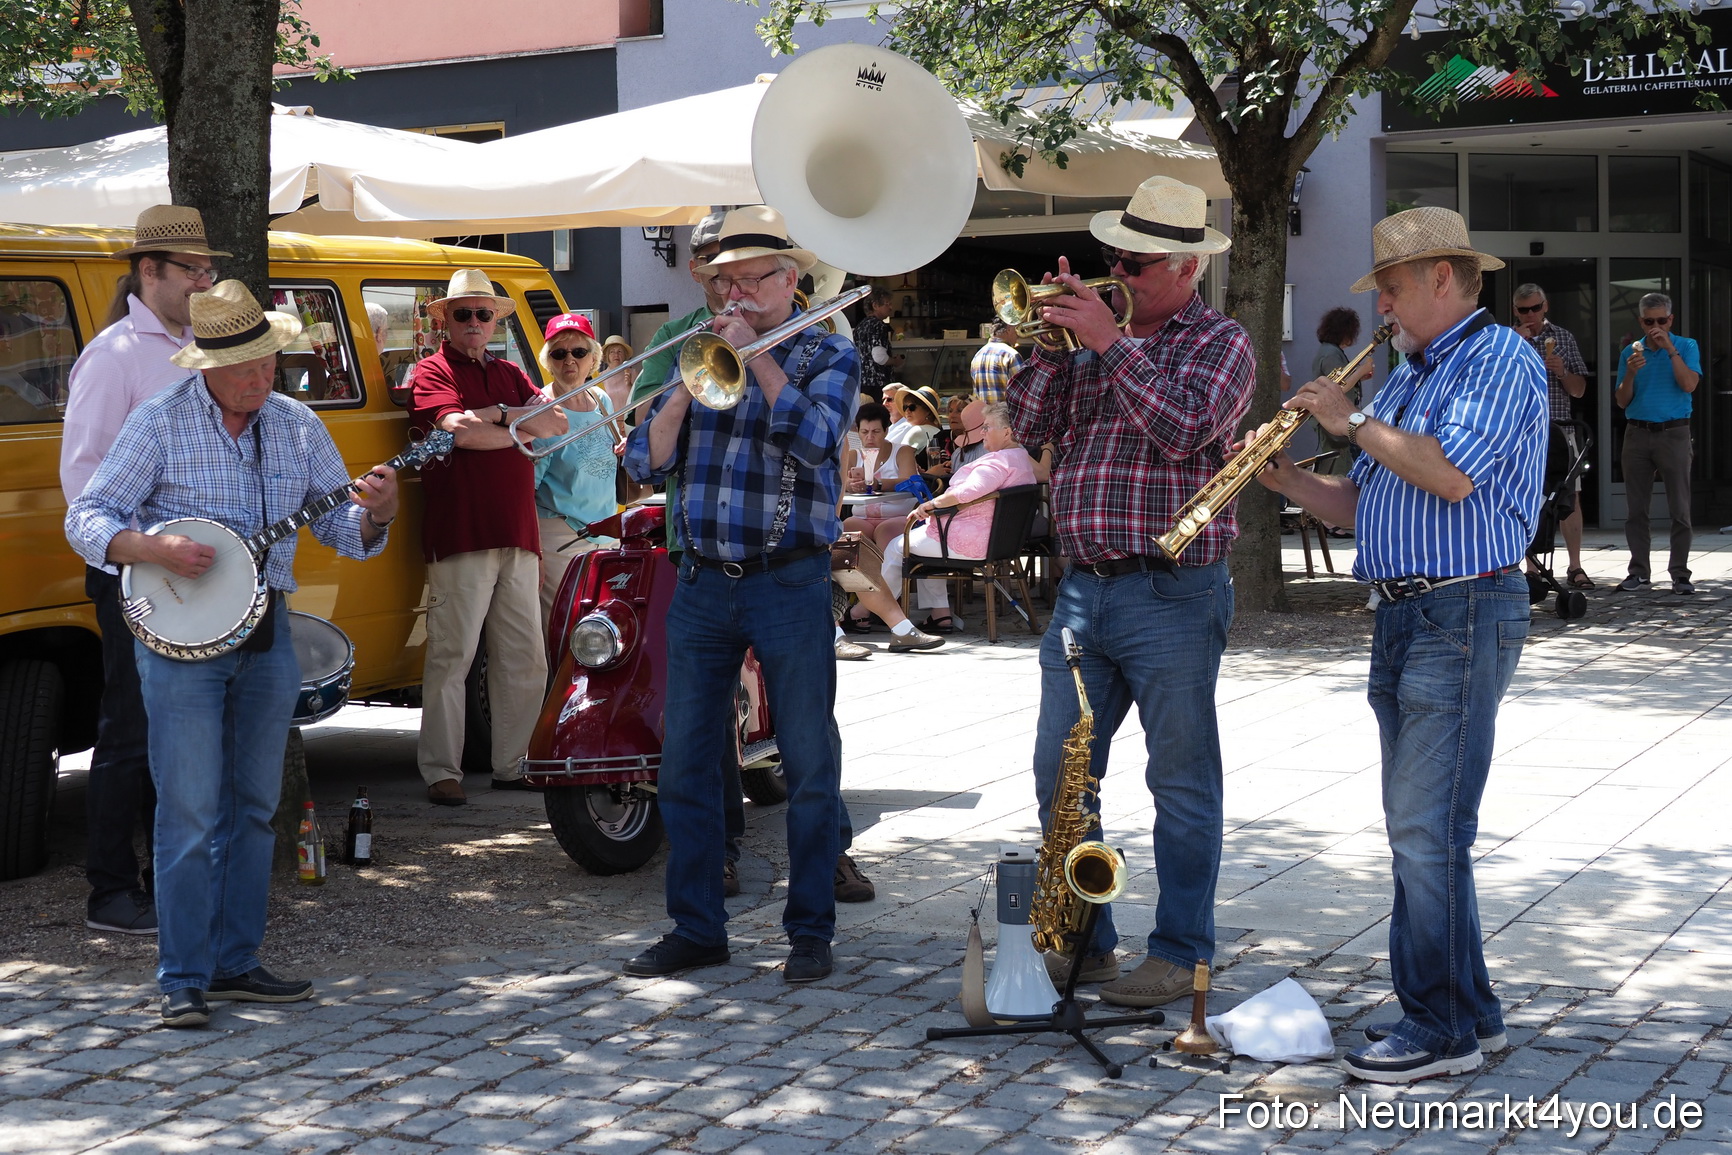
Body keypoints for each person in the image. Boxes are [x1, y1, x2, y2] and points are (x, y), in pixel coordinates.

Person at [1257, 206, 1546, 1083]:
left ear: (1443, 281)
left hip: (1462, 609)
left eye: (1389, 287)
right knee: (1428, 833)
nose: (1381, 304)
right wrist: (1286, 477)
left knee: (1424, 832)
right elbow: (1368, 504)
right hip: (1406, 612)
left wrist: (1349, 422)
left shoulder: (1499, 359)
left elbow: (1449, 475)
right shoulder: (1413, 376)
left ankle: (1439, 1029)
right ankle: (1473, 1014)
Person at [64, 281, 401, 1029]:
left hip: (267, 634)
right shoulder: (159, 422)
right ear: (204, 362)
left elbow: (342, 530)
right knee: (188, 809)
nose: (261, 377)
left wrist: (376, 512)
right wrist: (149, 548)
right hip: (179, 643)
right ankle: (182, 976)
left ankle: (236, 962)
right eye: (245, 365)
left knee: (254, 808)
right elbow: (86, 515)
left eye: (269, 361)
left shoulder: (297, 424)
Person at [1005, 174, 1253, 1010]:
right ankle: (1089, 942)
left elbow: (1187, 428)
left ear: (1185, 268)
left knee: (1180, 783)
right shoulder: (1087, 343)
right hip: (1084, 589)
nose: (1122, 273)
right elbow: (1031, 428)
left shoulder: (1220, 342)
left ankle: (1181, 954)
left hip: (1174, 590)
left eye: (1138, 263)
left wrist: (1113, 342)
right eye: (1116, 258)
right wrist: (1047, 348)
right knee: (1060, 777)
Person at [622, 205, 857, 984]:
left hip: (789, 579)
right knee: (685, 762)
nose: (736, 291)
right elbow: (645, 460)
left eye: (752, 277)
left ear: (789, 280)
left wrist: (756, 356)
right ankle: (697, 927)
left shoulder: (827, 351)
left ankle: (811, 930)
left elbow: (819, 442)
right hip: (701, 584)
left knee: (808, 760)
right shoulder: (696, 349)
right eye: (724, 279)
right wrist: (692, 380)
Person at [58, 205, 230, 938]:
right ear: (148, 272)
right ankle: (110, 890)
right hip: (135, 569)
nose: (204, 279)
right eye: (192, 270)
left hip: (191, 568)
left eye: (208, 269)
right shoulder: (115, 354)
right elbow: (83, 482)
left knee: (183, 734)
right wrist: (144, 551)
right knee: (130, 729)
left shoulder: (198, 345)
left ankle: (172, 883)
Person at [408, 269, 567, 806]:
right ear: (445, 321)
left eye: (484, 313)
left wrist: (496, 419)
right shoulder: (429, 371)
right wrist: (516, 425)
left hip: (517, 533)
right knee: (453, 655)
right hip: (462, 533)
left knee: (524, 654)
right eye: (464, 314)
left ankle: (514, 764)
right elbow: (457, 433)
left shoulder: (508, 372)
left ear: (495, 320)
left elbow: (558, 424)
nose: (475, 322)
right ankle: (441, 771)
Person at [885, 401, 1035, 635]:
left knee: (897, 547)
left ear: (1006, 432)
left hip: (970, 540)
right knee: (921, 543)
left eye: (987, 427)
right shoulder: (1021, 458)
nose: (982, 432)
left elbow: (968, 491)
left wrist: (931, 504)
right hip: (1000, 541)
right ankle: (940, 615)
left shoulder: (998, 462)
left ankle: (868, 611)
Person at [532, 313, 616, 627]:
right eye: (559, 353)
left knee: (603, 629)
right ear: (547, 361)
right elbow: (526, 490)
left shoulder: (603, 400)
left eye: (579, 352)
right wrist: (535, 552)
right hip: (559, 540)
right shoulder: (541, 409)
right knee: (564, 629)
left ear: (593, 357)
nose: (570, 360)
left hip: (606, 534)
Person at [1614, 291, 1699, 595]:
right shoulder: (1630, 353)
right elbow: (1622, 401)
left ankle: (1680, 574)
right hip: (1638, 433)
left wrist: (1670, 349)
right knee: (1637, 509)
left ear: (1670, 319)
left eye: (1661, 320)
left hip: (1673, 432)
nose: (1655, 327)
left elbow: (1689, 384)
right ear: (1641, 321)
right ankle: (1638, 572)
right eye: (1649, 321)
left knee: (1680, 508)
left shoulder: (1686, 346)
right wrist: (1631, 374)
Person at [1511, 284, 1592, 588]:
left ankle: (1575, 566)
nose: (1530, 315)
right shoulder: (1508, 340)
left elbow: (1579, 390)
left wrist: (1561, 371)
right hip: (1520, 433)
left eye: (1535, 308)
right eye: (1523, 310)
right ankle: (1532, 568)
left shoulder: (1564, 338)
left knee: (1569, 498)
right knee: (1528, 498)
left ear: (1545, 306)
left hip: (1560, 429)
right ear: (1515, 311)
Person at [1309, 306, 1374, 478]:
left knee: (1339, 463)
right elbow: (1338, 386)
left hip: (1330, 418)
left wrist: (1360, 377)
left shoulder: (1329, 351)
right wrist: (1361, 370)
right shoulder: (1331, 354)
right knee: (1339, 469)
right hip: (1333, 420)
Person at [854, 286, 895, 400]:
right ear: (875, 305)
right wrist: (895, 361)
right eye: (887, 304)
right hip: (878, 384)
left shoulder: (860, 326)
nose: (891, 308)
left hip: (862, 382)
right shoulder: (879, 325)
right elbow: (879, 357)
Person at [971, 321, 1023, 405]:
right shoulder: (1011, 354)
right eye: (1016, 329)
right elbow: (1022, 392)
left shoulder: (978, 355)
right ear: (1009, 329)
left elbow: (976, 394)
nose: (1018, 335)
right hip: (1005, 416)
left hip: (984, 416)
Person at [596, 334, 638, 420]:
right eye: (612, 352)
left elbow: (639, 399)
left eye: (620, 351)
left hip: (629, 421)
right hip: (610, 423)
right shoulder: (600, 378)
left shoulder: (632, 373)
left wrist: (629, 385)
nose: (616, 355)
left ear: (624, 355)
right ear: (607, 355)